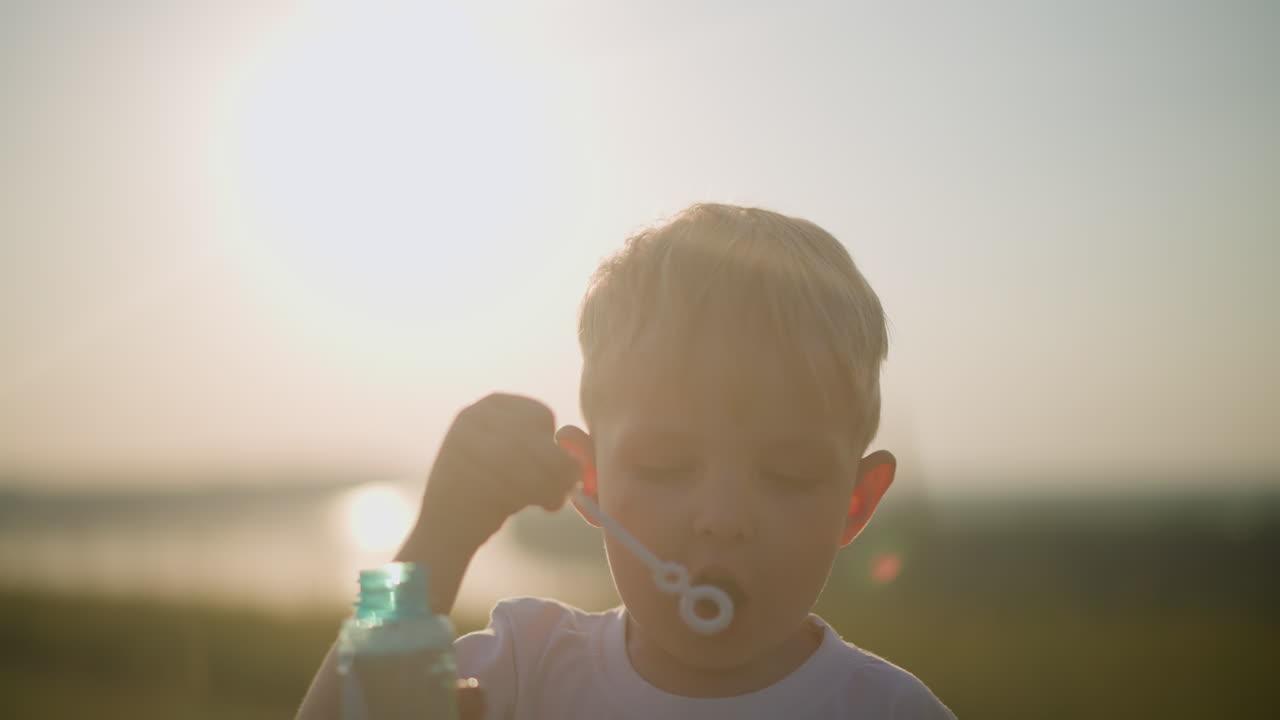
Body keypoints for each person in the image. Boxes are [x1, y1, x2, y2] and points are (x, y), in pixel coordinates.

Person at [297, 203, 954, 719]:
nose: (722, 519)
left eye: (787, 475)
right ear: (592, 480)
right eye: (667, 465)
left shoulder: (891, 712)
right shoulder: (527, 669)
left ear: (856, 503)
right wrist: (433, 544)